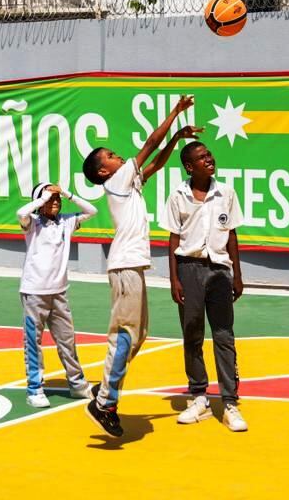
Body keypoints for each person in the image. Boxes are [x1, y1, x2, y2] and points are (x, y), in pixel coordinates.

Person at [79, 94, 200, 437]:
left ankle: (103, 390)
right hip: (125, 266)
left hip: (131, 267)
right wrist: (175, 113)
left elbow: (156, 164)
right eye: (112, 156)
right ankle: (104, 402)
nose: (119, 156)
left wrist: (177, 139)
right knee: (124, 337)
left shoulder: (128, 185)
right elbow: (149, 144)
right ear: (104, 171)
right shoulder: (115, 182)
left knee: (138, 336)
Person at [162, 141, 248, 432]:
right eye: (201, 157)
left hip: (220, 270)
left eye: (209, 155)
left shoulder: (226, 193)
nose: (209, 159)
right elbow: (173, 239)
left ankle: (230, 402)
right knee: (192, 332)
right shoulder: (178, 195)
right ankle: (198, 397)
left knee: (224, 335)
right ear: (189, 166)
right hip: (189, 268)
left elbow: (232, 234)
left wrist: (237, 273)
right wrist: (174, 278)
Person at [16, 181, 98, 408]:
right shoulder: (31, 223)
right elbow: (21, 212)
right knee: (33, 342)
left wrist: (67, 193)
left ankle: (78, 383)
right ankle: (34, 388)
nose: (55, 202)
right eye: (50, 199)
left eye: (56, 199)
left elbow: (92, 211)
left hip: (59, 292)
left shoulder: (67, 221)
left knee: (67, 340)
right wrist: (43, 197)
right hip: (34, 292)